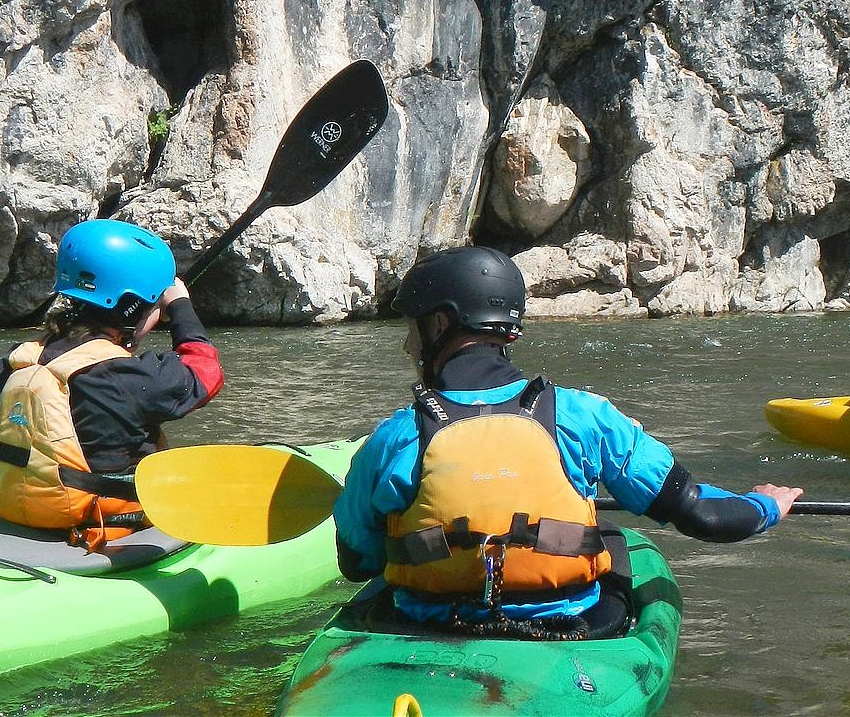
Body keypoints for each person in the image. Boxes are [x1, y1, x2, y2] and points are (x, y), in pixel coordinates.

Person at [333, 246, 802, 635]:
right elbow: (701, 514)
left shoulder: (393, 437)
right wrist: (766, 507)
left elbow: (357, 562)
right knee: (613, 541)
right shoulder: (583, 416)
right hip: (564, 627)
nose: (408, 347)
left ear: (439, 325)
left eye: (411, 330)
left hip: (428, 629)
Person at [0, 218, 223, 547]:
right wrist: (179, 306)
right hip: (107, 526)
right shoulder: (131, 377)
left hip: (13, 517)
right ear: (135, 310)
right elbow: (204, 371)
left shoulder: (9, 367)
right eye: (154, 310)